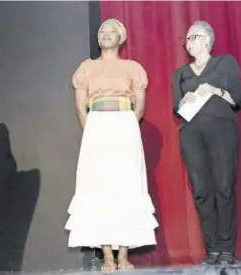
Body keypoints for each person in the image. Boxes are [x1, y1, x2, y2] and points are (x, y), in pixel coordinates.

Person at [65, 18, 158, 272]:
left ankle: (124, 253)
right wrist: (95, 133)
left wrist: (125, 128)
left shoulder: (132, 68)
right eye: (102, 31)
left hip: (125, 126)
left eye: (112, 31)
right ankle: (107, 254)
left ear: (121, 37)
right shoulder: (86, 68)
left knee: (126, 187)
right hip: (97, 127)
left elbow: (139, 107)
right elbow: (80, 108)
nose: (106, 34)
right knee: (100, 188)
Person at [171, 21, 241, 265]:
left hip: (222, 129)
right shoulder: (180, 73)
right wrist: (184, 101)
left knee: (224, 186)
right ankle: (212, 249)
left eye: (193, 37)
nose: (189, 42)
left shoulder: (225, 63)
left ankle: (227, 248)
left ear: (207, 40)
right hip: (191, 133)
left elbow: (237, 99)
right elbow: (177, 108)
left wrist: (214, 90)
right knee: (202, 191)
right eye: (187, 39)